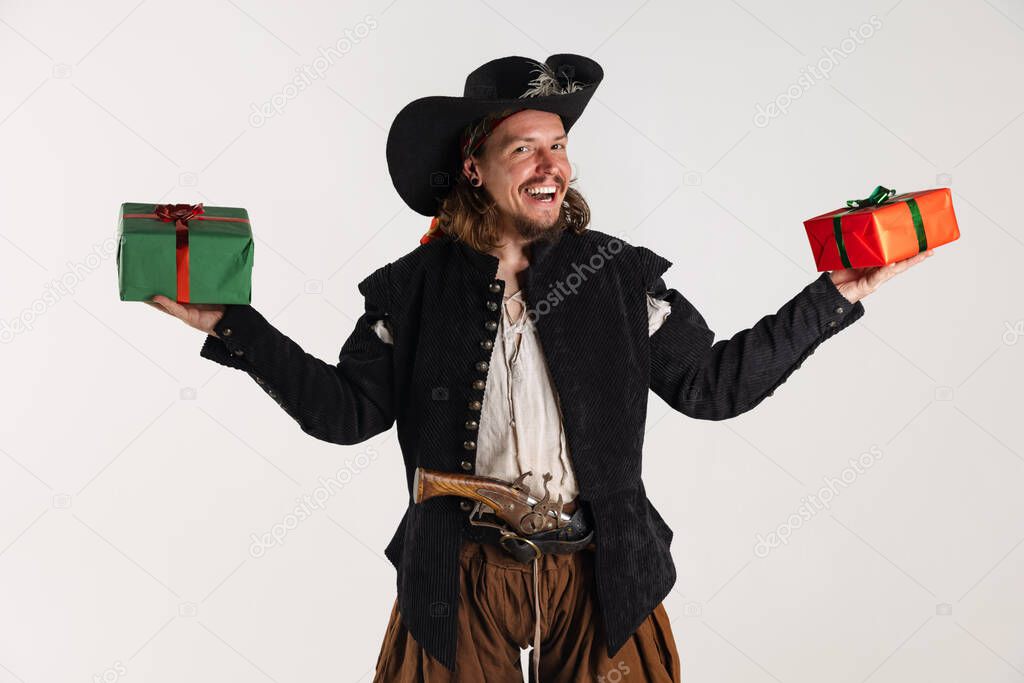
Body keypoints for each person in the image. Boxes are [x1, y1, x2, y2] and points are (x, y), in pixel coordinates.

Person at [148, 54, 933, 682]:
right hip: (459, 574)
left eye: (558, 145)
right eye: (523, 147)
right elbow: (346, 412)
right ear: (475, 168)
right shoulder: (411, 288)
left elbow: (712, 385)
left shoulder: (621, 276)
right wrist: (231, 323)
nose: (550, 163)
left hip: (603, 571)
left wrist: (836, 294)